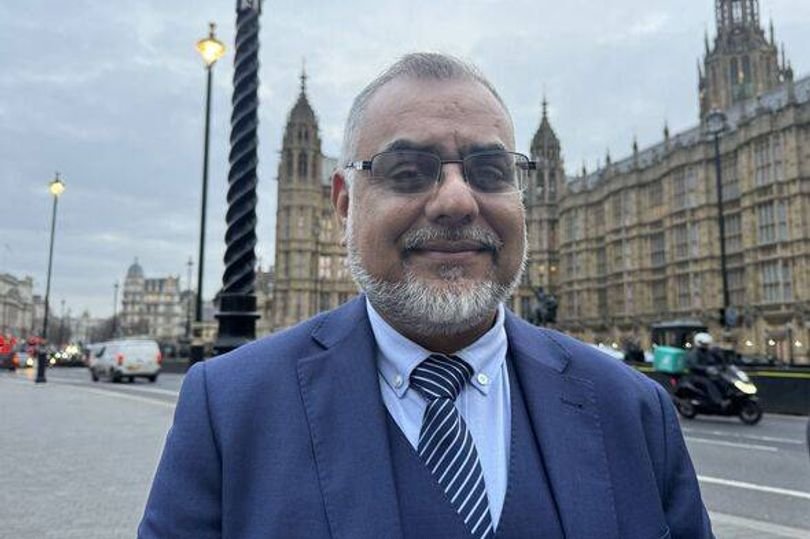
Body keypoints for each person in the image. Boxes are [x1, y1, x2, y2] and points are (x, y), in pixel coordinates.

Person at [139, 53, 713, 538]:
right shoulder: (228, 408)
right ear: (343, 202)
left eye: (490, 172)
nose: (457, 201)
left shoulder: (636, 411)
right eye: (408, 172)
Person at [686, 332, 726, 406]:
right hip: (697, 376)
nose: (706, 345)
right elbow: (694, 365)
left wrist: (719, 364)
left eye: (707, 344)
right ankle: (717, 401)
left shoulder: (708, 352)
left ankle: (725, 398)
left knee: (722, 380)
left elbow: (713, 361)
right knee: (709, 383)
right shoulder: (694, 353)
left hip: (708, 374)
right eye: (704, 344)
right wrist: (706, 368)